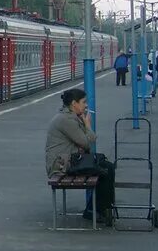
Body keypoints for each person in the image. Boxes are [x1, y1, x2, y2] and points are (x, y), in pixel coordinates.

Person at [45, 88, 114, 224]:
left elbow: (86, 142)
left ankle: (99, 208)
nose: (86, 105)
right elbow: (87, 142)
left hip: (69, 160)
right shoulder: (66, 120)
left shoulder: (70, 117)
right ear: (73, 103)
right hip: (61, 165)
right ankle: (95, 210)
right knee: (105, 170)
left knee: (107, 167)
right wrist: (88, 125)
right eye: (83, 102)